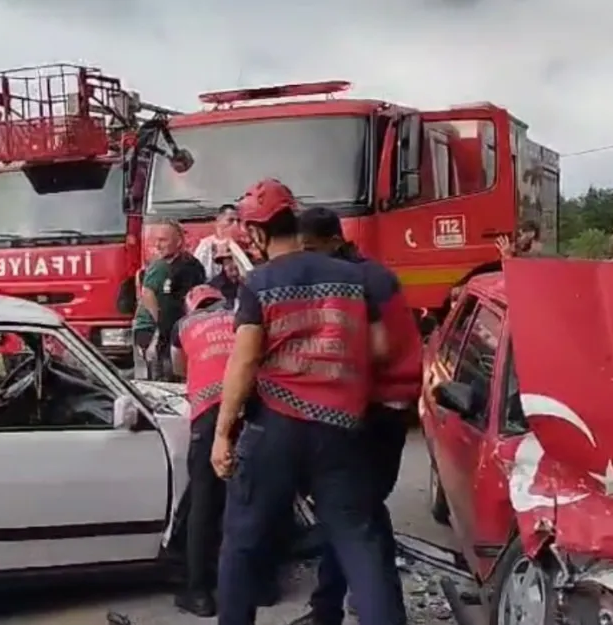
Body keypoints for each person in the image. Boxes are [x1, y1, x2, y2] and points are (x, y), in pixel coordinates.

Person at [210, 179, 403, 625]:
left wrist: (223, 432)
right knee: (361, 542)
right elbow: (379, 348)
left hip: (275, 427)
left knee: (242, 540)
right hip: (342, 428)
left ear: (257, 234)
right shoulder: (354, 278)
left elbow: (243, 361)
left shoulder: (259, 283)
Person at [293, 207, 423, 625]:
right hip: (373, 406)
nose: (309, 259)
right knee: (350, 512)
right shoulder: (363, 275)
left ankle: (373, 613)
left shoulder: (363, 280)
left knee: (358, 516)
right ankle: (327, 609)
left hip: (379, 408)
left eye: (312, 250)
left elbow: (380, 349)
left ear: (334, 240)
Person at [170, 284, 232, 617]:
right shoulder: (238, 315)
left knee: (203, 504)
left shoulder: (183, 327)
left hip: (208, 417)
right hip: (249, 411)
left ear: (190, 307)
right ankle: (259, 586)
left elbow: (179, 369)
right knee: (248, 498)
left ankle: (198, 593)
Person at [132, 221, 206, 380]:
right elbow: (146, 293)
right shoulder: (159, 266)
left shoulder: (190, 266)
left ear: (179, 241)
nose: (158, 245)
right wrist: (159, 326)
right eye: (156, 240)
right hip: (154, 332)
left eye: (163, 240)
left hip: (177, 334)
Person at [192, 204, 246, 279]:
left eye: (238, 221)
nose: (235, 225)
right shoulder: (206, 244)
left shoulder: (243, 244)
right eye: (230, 220)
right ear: (218, 220)